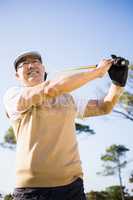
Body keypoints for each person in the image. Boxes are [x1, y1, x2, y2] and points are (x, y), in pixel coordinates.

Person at [3, 51, 128, 200]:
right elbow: (49, 89)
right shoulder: (13, 95)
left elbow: (104, 107)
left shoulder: (68, 98)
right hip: (31, 191)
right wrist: (96, 72)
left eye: (36, 61)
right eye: (23, 64)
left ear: (44, 69)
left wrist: (117, 84)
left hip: (72, 189)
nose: (30, 65)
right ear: (17, 76)